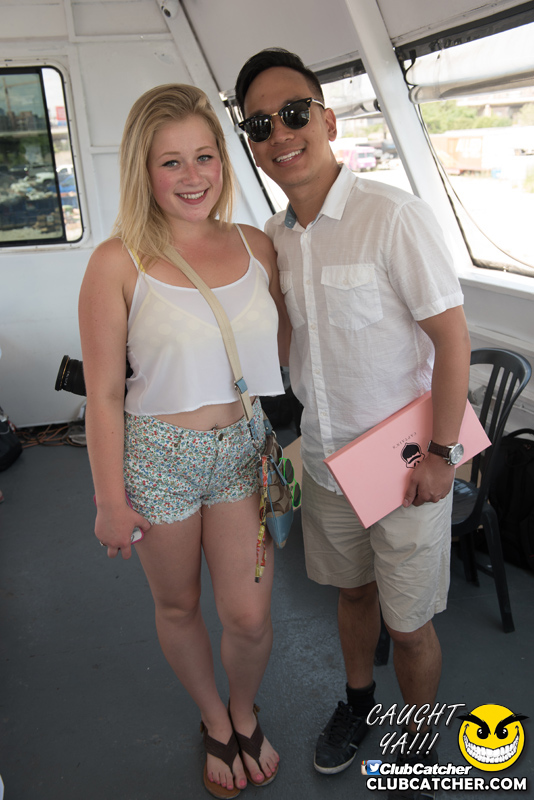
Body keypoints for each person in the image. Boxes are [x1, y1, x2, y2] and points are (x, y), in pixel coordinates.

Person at [235, 49, 471, 799]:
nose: (281, 133)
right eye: (260, 125)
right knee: (352, 595)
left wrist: (442, 453)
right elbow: (286, 345)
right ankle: (360, 703)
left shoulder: (391, 215)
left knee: (410, 625)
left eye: (294, 113)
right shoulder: (277, 235)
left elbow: (452, 339)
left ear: (328, 120)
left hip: (402, 457)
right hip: (327, 455)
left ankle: (419, 740)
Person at [78, 83, 290, 799]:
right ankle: (215, 720)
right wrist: (110, 501)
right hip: (158, 457)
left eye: (205, 156)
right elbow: (104, 396)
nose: (193, 176)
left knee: (248, 615)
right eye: (171, 162)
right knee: (178, 606)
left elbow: (290, 343)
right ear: (143, 170)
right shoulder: (118, 261)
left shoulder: (258, 246)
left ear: (224, 161)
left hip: (241, 451)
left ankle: (243, 707)